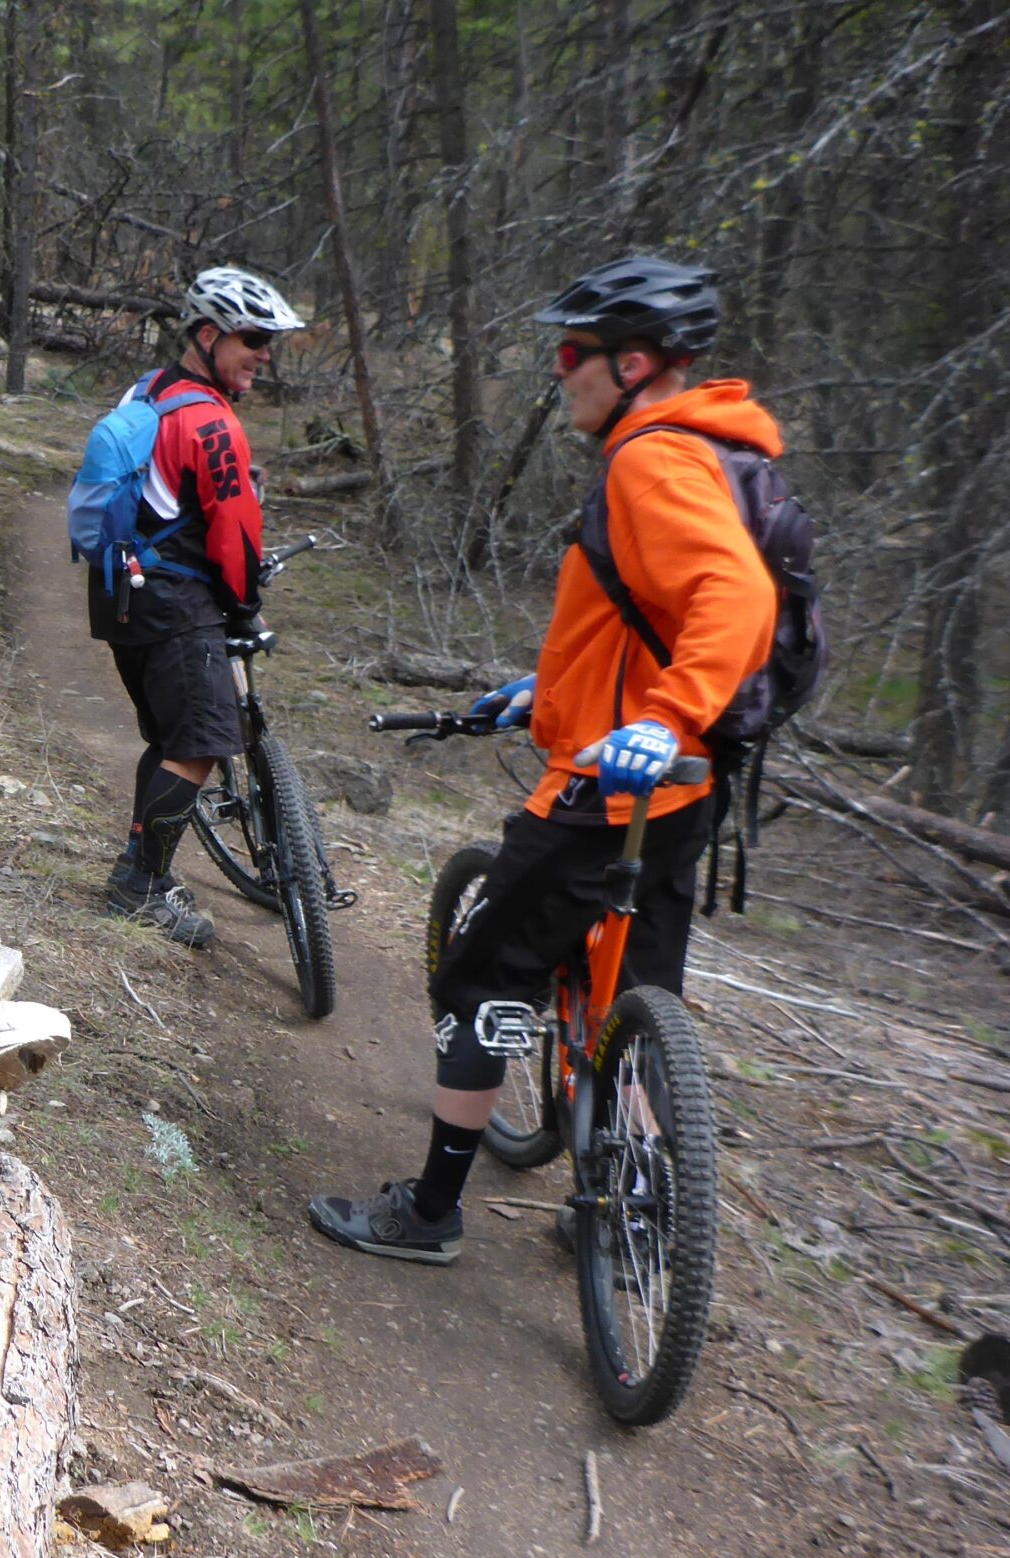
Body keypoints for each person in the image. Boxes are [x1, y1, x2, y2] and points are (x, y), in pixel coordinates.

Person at [308, 255, 779, 1264]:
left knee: (481, 980)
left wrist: (658, 717)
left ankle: (429, 1211)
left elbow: (734, 599)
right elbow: (637, 615)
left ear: (634, 364)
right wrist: (548, 695)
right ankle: (630, 1215)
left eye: (575, 353)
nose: (559, 370)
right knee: (628, 997)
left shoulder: (650, 459)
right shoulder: (712, 449)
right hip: (681, 788)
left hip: (607, 793)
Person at [100, 266, 308, 948]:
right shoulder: (213, 421)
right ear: (210, 334)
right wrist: (246, 606)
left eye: (269, 341)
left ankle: (142, 871)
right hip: (174, 600)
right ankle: (139, 889)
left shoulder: (149, 389)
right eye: (253, 337)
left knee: (169, 740)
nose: (263, 353)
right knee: (198, 746)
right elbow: (235, 531)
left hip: (120, 590)